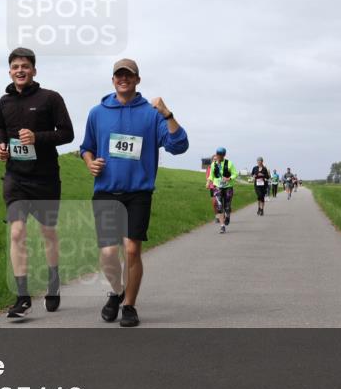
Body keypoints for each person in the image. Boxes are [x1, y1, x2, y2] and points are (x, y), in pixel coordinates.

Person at [80, 58, 188, 327]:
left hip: (138, 192)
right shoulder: (97, 112)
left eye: (129, 75)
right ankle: (116, 292)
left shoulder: (151, 114)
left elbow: (179, 145)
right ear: (113, 79)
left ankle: (129, 305)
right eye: (119, 75)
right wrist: (90, 162)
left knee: (131, 250)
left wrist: (167, 114)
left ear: (137, 80)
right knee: (107, 253)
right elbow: (86, 147)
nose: (123, 79)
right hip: (106, 191)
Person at [0, 47, 74, 319]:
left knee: (47, 234)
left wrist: (37, 137)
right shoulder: (4, 102)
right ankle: (22, 297)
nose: (20, 70)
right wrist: (1, 146)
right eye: (15, 66)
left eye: (25, 66)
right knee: (17, 233)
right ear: (10, 71)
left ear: (34, 70)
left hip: (45, 179)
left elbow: (67, 134)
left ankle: (53, 282)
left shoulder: (50, 99)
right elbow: (1, 130)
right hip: (16, 178)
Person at [210, 148, 237, 233]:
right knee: (219, 205)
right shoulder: (213, 164)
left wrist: (229, 178)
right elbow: (211, 176)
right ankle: (222, 226)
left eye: (221, 155)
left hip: (228, 186)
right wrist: (208, 182)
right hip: (218, 187)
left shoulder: (229, 163)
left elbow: (235, 174)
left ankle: (228, 215)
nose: (219, 156)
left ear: (224, 155)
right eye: (218, 154)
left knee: (227, 206)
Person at [204, 155, 220, 223]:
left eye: (216, 159)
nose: (215, 160)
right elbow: (208, 177)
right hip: (212, 187)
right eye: (214, 159)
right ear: (212, 160)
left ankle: (223, 214)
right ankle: (217, 217)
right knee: (214, 203)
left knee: (220, 202)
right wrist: (208, 183)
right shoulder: (209, 168)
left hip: (220, 187)